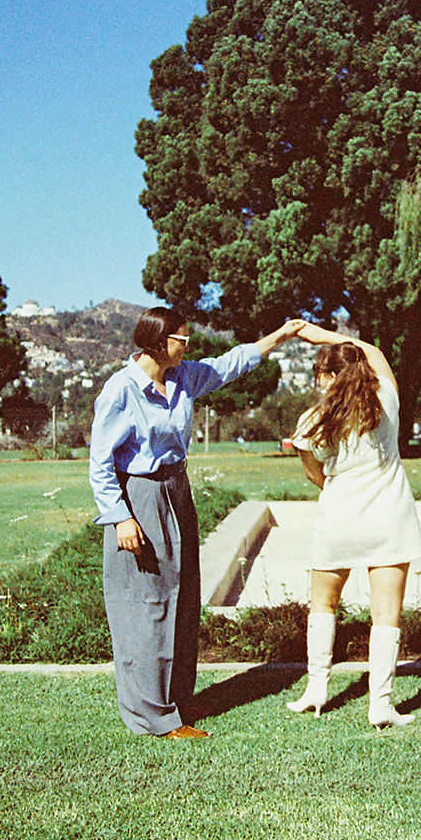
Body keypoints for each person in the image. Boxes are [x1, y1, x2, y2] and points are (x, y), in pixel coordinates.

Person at [89, 307, 304, 738]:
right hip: (140, 496)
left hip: (177, 491)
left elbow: (230, 365)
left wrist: (279, 336)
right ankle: (152, 717)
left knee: (184, 600)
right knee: (147, 605)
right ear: (159, 340)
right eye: (183, 340)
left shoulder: (183, 377)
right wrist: (120, 519)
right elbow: (99, 464)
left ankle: (178, 705)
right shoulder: (121, 390)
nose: (189, 348)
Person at [285, 324, 421, 728]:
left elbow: (316, 475)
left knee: (322, 606)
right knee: (386, 615)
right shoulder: (386, 399)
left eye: (320, 375)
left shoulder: (311, 420)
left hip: (339, 518)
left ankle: (315, 692)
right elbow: (374, 350)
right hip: (390, 517)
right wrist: (324, 335)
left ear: (328, 377)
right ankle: (380, 705)